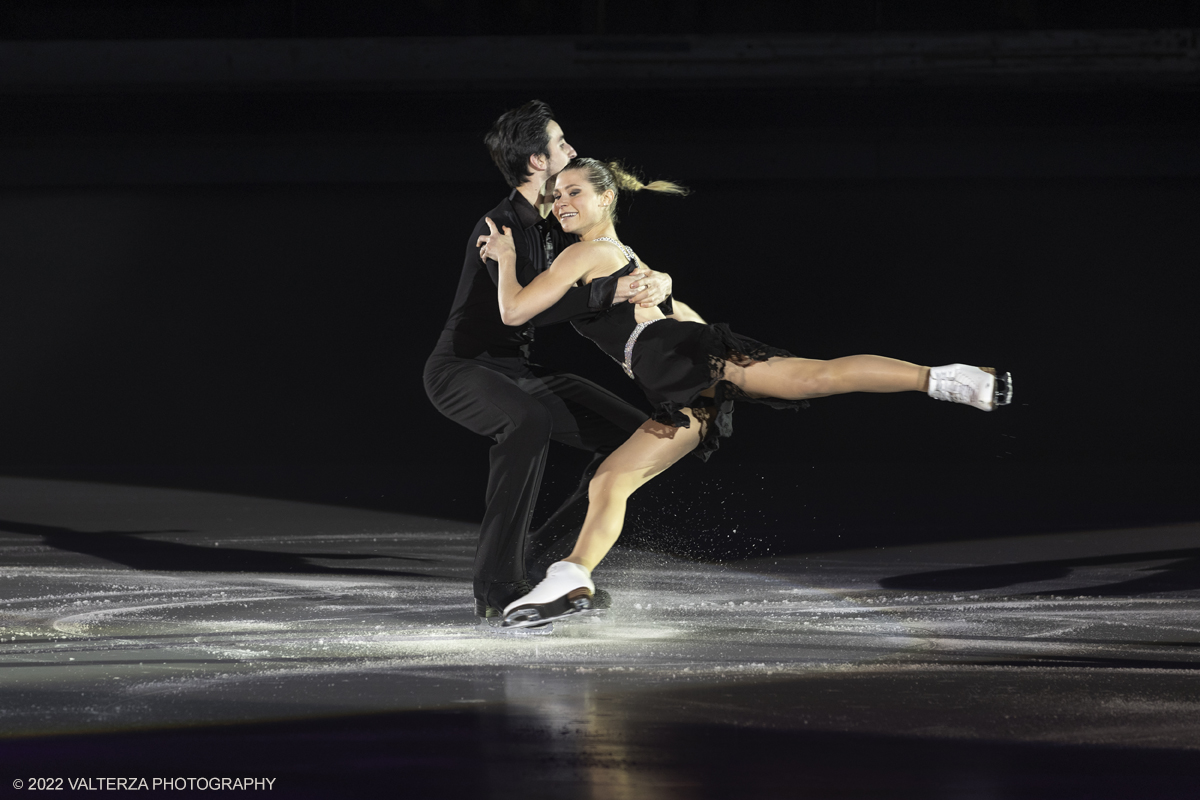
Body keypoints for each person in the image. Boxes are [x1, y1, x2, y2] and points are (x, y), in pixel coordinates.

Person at [479, 157, 1014, 627]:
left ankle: (943, 378)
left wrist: (505, 260)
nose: (563, 201)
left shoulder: (584, 253)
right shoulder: (622, 253)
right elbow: (666, 310)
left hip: (677, 358)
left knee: (812, 379)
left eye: (575, 191)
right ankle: (572, 576)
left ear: (606, 197)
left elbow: (515, 310)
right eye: (558, 195)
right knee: (612, 478)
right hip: (680, 374)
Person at [422, 102, 678, 623]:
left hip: (515, 373)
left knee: (634, 438)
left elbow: (622, 259)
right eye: (562, 145)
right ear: (538, 162)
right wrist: (607, 292)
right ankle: (497, 583)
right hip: (462, 368)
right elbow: (518, 315)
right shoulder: (500, 227)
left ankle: (544, 570)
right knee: (527, 421)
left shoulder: (552, 225)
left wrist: (661, 281)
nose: (572, 151)